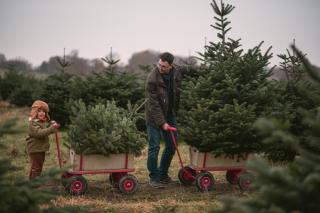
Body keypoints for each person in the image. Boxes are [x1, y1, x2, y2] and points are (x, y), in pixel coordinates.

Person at [145, 52, 185, 188]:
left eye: (164, 66)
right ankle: (154, 178)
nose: (161, 68)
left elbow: (190, 71)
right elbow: (154, 105)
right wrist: (163, 123)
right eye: (159, 65)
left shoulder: (177, 71)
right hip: (154, 116)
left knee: (172, 145)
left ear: (171, 66)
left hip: (170, 114)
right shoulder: (152, 78)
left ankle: (163, 175)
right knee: (154, 146)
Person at [26, 100, 60, 180]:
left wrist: (52, 125)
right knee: (36, 168)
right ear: (35, 112)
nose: (42, 113)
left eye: (44, 111)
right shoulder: (33, 123)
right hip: (35, 149)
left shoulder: (41, 122)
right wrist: (51, 129)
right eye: (39, 111)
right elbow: (39, 133)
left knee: (37, 166)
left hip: (39, 148)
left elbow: (46, 129)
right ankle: (34, 185)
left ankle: (32, 183)